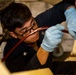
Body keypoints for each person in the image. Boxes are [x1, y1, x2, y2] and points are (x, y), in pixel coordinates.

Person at [1, 0, 76, 74]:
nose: (33, 31)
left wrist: (70, 12)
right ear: (13, 34)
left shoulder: (39, 22)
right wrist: (45, 48)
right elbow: (30, 73)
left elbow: (62, 7)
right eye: (25, 31)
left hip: (50, 67)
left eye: (33, 24)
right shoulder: (12, 51)